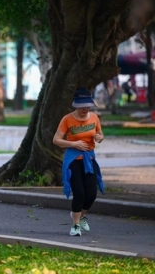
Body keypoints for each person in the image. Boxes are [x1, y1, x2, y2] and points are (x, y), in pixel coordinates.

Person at [53, 87, 105, 237]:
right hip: (73, 160)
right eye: (81, 106)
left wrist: (99, 137)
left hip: (89, 159)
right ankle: (75, 226)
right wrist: (74, 144)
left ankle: (80, 215)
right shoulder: (67, 119)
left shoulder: (94, 118)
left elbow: (100, 133)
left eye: (87, 105)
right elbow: (56, 140)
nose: (85, 109)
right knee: (79, 193)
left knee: (91, 194)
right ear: (75, 105)